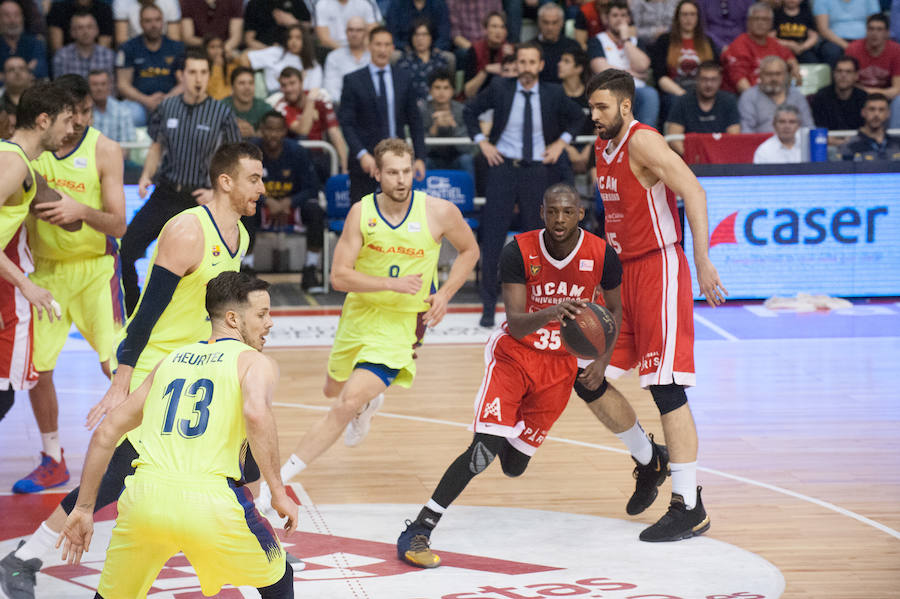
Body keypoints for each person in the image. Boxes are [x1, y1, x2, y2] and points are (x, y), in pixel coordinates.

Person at [0, 142, 260, 599]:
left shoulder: (241, 234)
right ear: (227, 181)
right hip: (156, 368)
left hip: (201, 365)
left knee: (242, 449)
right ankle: (25, 557)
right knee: (119, 473)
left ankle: (261, 546)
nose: (263, 186)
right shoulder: (187, 231)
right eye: (255, 178)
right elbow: (145, 315)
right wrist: (122, 379)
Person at [395, 183, 623, 568]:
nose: (560, 219)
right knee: (483, 451)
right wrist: (553, 312)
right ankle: (419, 527)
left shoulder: (602, 254)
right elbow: (516, 324)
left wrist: (601, 359)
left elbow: (614, 312)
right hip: (515, 358)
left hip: (560, 368)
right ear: (541, 212)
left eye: (568, 212)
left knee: (513, 466)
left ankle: (504, 428)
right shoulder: (519, 250)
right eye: (553, 212)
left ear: (580, 214)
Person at [255, 138, 479, 512]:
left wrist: (444, 295)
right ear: (377, 173)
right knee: (332, 390)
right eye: (392, 172)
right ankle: (368, 403)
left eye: (407, 171)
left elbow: (470, 250)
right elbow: (339, 277)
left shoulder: (439, 212)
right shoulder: (362, 212)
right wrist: (389, 283)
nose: (401, 179)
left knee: (345, 403)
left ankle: (275, 483)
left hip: (401, 325)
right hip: (358, 315)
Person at [56, 271, 298, 598]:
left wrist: (84, 508)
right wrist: (278, 491)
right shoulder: (253, 362)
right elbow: (256, 413)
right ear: (232, 318)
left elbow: (106, 432)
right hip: (212, 503)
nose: (270, 323)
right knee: (280, 579)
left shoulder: (168, 362)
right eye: (262, 314)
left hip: (144, 499)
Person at [588, 68, 728, 541]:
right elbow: (614, 220)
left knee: (666, 389)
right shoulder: (600, 147)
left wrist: (703, 261)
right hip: (623, 276)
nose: (594, 115)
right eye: (591, 107)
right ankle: (651, 461)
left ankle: (689, 504)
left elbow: (693, 189)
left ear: (626, 106)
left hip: (659, 269)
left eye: (602, 107)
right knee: (587, 378)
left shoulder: (643, 142)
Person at [13, 74, 126, 495]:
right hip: (46, 271)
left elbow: (119, 224)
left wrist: (81, 209)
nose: (76, 122)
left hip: (96, 269)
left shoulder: (105, 149)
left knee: (116, 365)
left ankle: (140, 452)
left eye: (82, 114)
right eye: (70, 114)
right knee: (37, 368)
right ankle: (53, 457)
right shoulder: (30, 151)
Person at [465, 40, 585, 327]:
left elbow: (579, 117)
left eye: (532, 62)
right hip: (503, 168)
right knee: (493, 238)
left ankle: (535, 307)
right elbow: (469, 111)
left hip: (537, 171)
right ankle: (487, 307)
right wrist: (482, 143)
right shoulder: (499, 88)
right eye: (522, 62)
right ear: (516, 64)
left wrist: (560, 144)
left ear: (541, 65)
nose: (527, 68)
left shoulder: (553, 93)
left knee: (537, 240)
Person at [121, 48, 240, 313]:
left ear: (209, 76)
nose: (198, 78)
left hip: (199, 200)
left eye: (203, 72)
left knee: (198, 268)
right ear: (181, 76)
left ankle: (199, 321)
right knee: (125, 251)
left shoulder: (222, 113)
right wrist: (144, 176)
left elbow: (234, 162)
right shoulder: (167, 107)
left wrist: (216, 192)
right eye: (192, 72)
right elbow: (156, 146)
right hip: (165, 193)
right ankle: (135, 313)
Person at [0, 82, 74, 466]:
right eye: (65, 120)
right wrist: (26, 284)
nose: (71, 129)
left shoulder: (20, 165)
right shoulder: (12, 162)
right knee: (5, 390)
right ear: (43, 120)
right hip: (9, 286)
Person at [338, 27, 426, 202]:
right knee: (363, 217)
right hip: (365, 162)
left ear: (393, 48)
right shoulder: (353, 80)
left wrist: (420, 157)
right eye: (378, 44)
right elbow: (347, 124)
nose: (382, 49)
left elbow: (415, 121)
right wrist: (362, 154)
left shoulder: (404, 78)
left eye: (387, 45)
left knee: (400, 215)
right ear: (369, 46)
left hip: (398, 160)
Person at [251, 110, 325, 290]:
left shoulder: (297, 151)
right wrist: (267, 202)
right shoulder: (252, 151)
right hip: (262, 205)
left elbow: (311, 188)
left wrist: (287, 203)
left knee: (316, 211)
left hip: (292, 206)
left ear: (285, 131)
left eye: (278, 130)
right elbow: (244, 185)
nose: (273, 134)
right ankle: (246, 268)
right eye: (269, 129)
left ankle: (310, 268)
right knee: (243, 211)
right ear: (261, 130)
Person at [271, 66, 349, 183]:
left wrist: (344, 167)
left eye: (292, 83)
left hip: (321, 155)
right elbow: (303, 131)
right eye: (284, 85)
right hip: (295, 158)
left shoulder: (321, 97)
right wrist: (310, 102)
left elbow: (334, 132)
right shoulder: (280, 105)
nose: (289, 89)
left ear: (302, 83)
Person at [588, 1, 660, 127]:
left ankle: (644, 138)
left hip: (637, 91)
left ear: (629, 19)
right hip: (610, 89)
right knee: (647, 94)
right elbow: (601, 69)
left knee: (650, 94)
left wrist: (626, 40)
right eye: (615, 16)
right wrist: (632, 73)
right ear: (606, 19)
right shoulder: (597, 40)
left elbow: (643, 65)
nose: (619, 20)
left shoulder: (634, 41)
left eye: (623, 15)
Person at [115, 3, 185, 127]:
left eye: (157, 20)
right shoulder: (128, 47)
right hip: (138, 103)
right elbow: (122, 85)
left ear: (163, 22)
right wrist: (146, 100)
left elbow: (185, 82)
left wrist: (166, 99)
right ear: (140, 23)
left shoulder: (177, 48)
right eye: (148, 21)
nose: (153, 25)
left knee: (178, 113)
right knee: (133, 115)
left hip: (171, 101)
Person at [649, 0, 719, 116]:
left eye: (692, 14)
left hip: (703, 89)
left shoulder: (708, 41)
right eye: (684, 14)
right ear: (678, 18)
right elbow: (660, 77)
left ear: (698, 18)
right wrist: (682, 94)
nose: (688, 19)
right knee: (677, 102)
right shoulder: (664, 40)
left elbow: (716, 71)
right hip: (675, 90)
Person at [720, 2, 799, 94]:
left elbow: (789, 57)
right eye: (756, 19)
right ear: (748, 22)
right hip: (744, 98)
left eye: (765, 19)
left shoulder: (773, 42)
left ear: (771, 23)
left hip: (771, 94)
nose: (760, 23)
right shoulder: (739, 44)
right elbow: (741, 83)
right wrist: (759, 102)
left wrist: (794, 68)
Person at [665, 60, 740, 155]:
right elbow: (674, 138)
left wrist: (718, 158)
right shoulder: (683, 101)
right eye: (704, 79)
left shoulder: (729, 100)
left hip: (721, 158)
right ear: (696, 79)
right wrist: (692, 157)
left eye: (713, 80)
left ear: (720, 80)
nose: (709, 84)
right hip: (690, 159)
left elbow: (733, 137)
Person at [845, 13, 900, 130]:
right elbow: (847, 82)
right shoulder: (853, 49)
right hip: (858, 96)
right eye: (871, 29)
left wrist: (870, 91)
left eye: (879, 29)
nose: (874, 33)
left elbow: (897, 88)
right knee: (846, 93)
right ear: (866, 31)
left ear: (887, 33)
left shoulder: (896, 51)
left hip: (886, 98)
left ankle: (894, 139)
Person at [241, 23, 323, 95]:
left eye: (298, 38)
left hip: (302, 99)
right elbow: (245, 57)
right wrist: (250, 83)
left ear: (306, 41)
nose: (293, 41)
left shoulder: (314, 65)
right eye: (290, 38)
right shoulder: (276, 53)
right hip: (275, 97)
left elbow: (314, 91)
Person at [738, 55, 813, 133]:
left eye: (778, 74)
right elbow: (746, 131)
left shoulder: (797, 96)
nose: (774, 78)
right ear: (760, 75)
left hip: (794, 144)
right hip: (760, 144)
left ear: (786, 75)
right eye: (768, 74)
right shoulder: (749, 97)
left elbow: (808, 127)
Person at [420, 69, 474, 175]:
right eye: (437, 88)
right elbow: (420, 149)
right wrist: (433, 129)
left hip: (456, 157)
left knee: (466, 160)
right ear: (430, 91)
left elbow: (467, 148)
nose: (441, 92)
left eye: (446, 88)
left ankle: (471, 191)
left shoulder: (461, 110)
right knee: (422, 162)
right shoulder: (422, 111)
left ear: (453, 91)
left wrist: (453, 126)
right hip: (431, 158)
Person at [396, 17, 452, 101]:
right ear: (411, 38)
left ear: (431, 37)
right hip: (412, 108)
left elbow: (447, 89)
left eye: (424, 34)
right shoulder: (403, 62)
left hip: (436, 105)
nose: (420, 38)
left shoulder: (441, 61)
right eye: (416, 35)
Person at [462, 10, 515, 99]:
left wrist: (508, 59)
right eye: (494, 26)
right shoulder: (475, 49)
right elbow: (468, 92)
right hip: (478, 98)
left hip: (502, 99)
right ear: (485, 30)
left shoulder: (511, 51)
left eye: (502, 27)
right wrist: (485, 71)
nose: (498, 31)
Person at [51, 10, 116, 81]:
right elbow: (59, 88)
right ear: (72, 32)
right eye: (80, 28)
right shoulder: (62, 56)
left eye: (89, 27)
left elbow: (112, 89)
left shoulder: (110, 56)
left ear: (97, 30)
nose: (85, 32)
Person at [559, 47, 595, 174]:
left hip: (588, 144)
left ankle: (597, 193)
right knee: (559, 155)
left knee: (599, 151)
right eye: (560, 61)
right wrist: (567, 148)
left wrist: (589, 148)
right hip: (561, 146)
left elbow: (600, 129)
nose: (559, 64)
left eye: (566, 61)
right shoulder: (554, 94)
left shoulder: (592, 95)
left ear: (579, 68)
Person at [814, 0, 880, 67]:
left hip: (864, 39)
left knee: (875, 46)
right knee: (831, 51)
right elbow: (823, 29)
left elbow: (875, 22)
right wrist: (849, 47)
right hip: (834, 41)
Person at [810, 55, 868, 131]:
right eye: (839, 71)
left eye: (848, 72)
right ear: (833, 74)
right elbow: (817, 128)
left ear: (856, 75)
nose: (843, 75)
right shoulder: (821, 97)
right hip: (828, 141)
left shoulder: (864, 98)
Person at [323, 17, 371, 103]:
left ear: (366, 33)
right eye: (351, 30)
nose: (354, 34)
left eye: (359, 30)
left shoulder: (373, 56)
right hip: (341, 106)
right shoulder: (334, 57)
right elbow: (331, 88)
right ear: (346, 32)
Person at [839, 92, 900, 160]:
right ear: (863, 112)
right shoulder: (850, 145)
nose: (876, 114)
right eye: (872, 109)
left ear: (888, 114)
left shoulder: (897, 143)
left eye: (881, 110)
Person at [0, 0, 48, 81]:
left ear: (23, 18)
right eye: (7, 15)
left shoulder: (36, 42)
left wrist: (5, 76)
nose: (12, 20)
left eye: (16, 15)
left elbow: (40, 72)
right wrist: (26, 70)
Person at [536, 3, 581, 84]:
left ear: (562, 23)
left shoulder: (573, 46)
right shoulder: (531, 48)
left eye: (554, 22)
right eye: (545, 22)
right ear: (539, 22)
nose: (550, 27)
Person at [89, 68, 137, 144]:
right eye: (95, 84)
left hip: (116, 155)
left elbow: (127, 147)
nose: (99, 88)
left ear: (110, 86)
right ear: (88, 87)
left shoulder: (122, 111)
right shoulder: (81, 113)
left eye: (103, 84)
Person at [223, 66, 273, 137]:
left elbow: (274, 133)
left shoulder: (265, 108)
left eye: (251, 83)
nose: (247, 88)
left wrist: (254, 134)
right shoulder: (220, 107)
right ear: (232, 87)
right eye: (241, 83)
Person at [46, 0, 114, 53]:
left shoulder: (104, 9)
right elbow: (57, 49)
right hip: (66, 61)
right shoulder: (58, 8)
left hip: (97, 63)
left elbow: (104, 47)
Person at [242, 0, 311, 49]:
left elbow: (310, 29)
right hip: (264, 50)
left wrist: (294, 23)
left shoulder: (296, 2)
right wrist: (272, 50)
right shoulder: (255, 4)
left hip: (292, 50)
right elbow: (249, 40)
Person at [113, 0, 181, 45]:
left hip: (164, 49)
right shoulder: (121, 2)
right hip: (133, 51)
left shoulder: (170, 2)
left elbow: (174, 38)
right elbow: (121, 40)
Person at [205, 34, 238, 100]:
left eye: (219, 47)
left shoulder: (231, 66)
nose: (216, 51)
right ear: (206, 49)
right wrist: (216, 67)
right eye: (212, 47)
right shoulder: (203, 67)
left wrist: (232, 57)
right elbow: (210, 90)